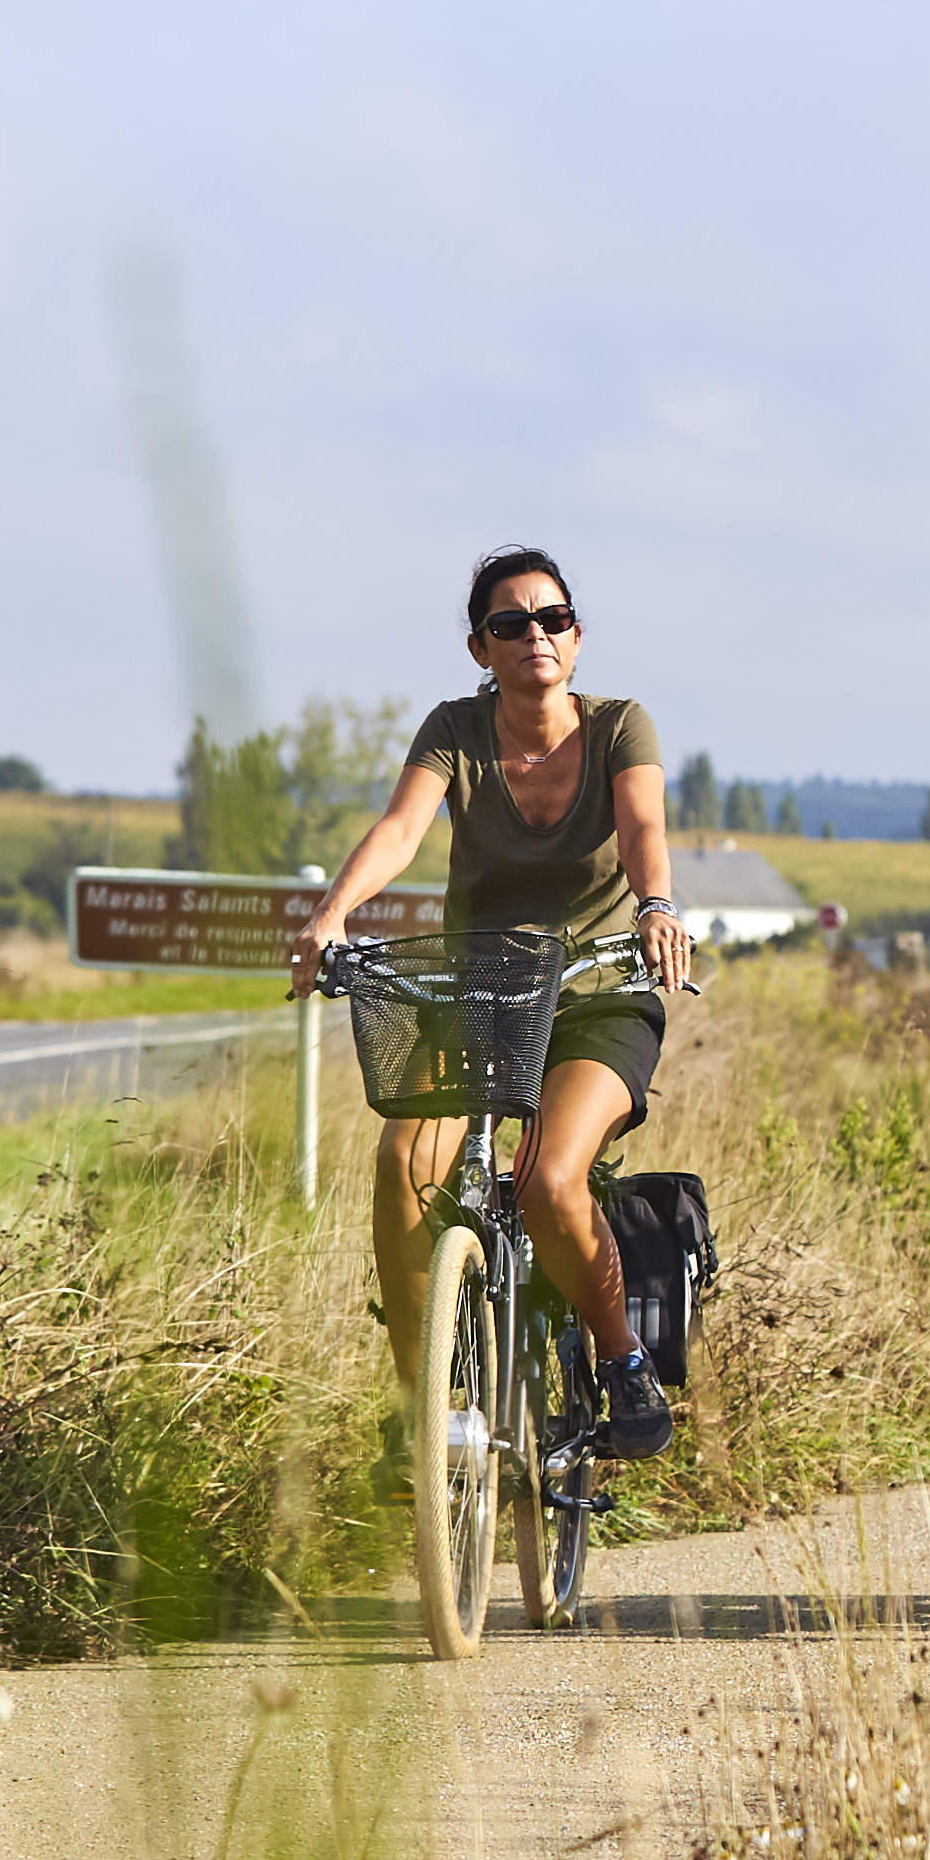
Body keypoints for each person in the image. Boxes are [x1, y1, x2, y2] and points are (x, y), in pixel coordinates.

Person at [292, 546, 699, 1459]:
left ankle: (622, 1361)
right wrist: (330, 914)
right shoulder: (454, 730)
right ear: (480, 648)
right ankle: (419, 1414)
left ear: (577, 637)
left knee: (551, 1178)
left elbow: (642, 830)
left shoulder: (621, 726)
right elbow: (401, 827)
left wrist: (658, 907)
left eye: (552, 618)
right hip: (482, 995)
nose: (534, 637)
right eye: (510, 624)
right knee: (405, 1162)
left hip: (598, 995)